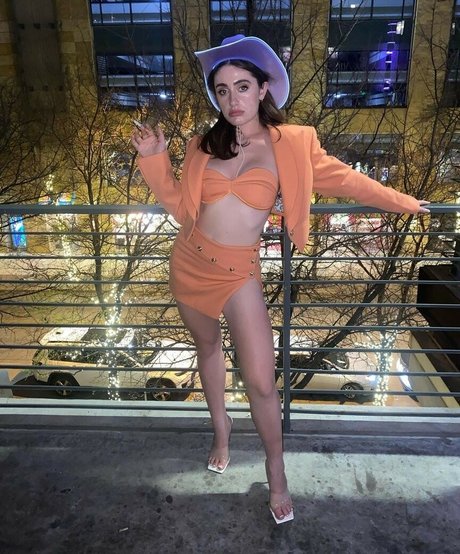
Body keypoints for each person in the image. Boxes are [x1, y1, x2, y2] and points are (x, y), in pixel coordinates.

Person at [131, 34, 430, 524]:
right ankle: (221, 428)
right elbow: (180, 206)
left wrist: (404, 202)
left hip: (238, 272)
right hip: (189, 262)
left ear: (264, 88)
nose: (232, 100)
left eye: (242, 86)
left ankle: (276, 470)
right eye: (222, 90)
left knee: (262, 383)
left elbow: (347, 180)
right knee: (207, 348)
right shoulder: (202, 146)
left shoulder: (292, 144)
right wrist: (154, 157)